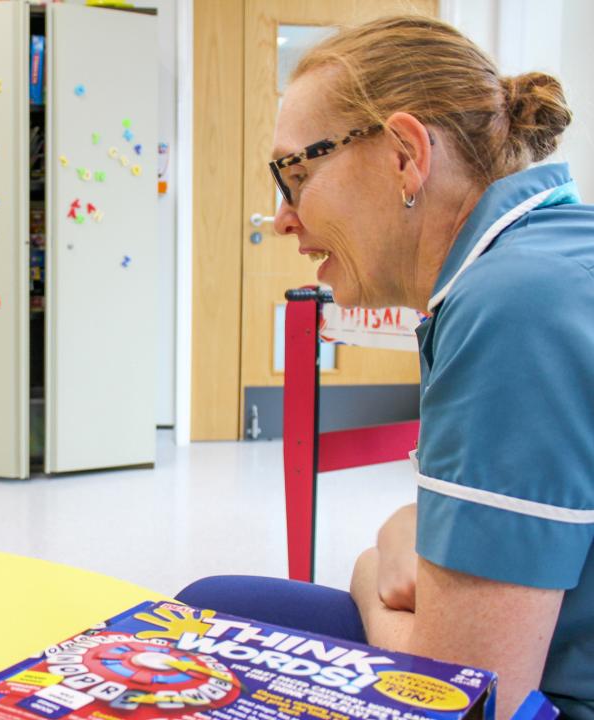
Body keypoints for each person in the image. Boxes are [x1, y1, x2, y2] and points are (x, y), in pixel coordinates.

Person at [177, 15, 593, 718]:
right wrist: (405, 528)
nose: (283, 217)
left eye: (296, 173)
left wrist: (377, 562)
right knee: (210, 607)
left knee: (208, 631)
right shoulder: (548, 254)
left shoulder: (512, 307)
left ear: (404, 154)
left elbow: (469, 698)